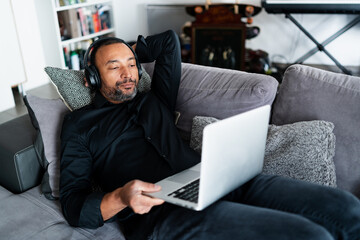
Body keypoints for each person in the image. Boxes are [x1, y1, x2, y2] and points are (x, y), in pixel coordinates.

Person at [60, 30, 360, 240]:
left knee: (345, 209)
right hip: (164, 216)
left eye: (131, 66)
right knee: (310, 235)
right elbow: (74, 205)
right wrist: (122, 197)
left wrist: (128, 50)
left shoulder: (153, 98)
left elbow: (167, 42)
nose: (128, 74)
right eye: (114, 67)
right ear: (93, 78)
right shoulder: (80, 125)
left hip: (216, 178)